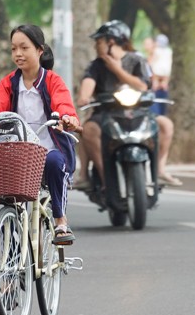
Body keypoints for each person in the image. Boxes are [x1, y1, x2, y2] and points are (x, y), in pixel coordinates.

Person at [0, 24, 81, 247]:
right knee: (11, 205)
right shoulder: (10, 82)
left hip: (48, 151)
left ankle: (60, 221)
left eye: (24, 48)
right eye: (13, 49)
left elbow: (64, 104)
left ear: (39, 50)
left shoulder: (52, 81)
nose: (17, 54)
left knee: (55, 161)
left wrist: (67, 118)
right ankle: (11, 257)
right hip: (19, 154)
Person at [75, 20, 181, 189]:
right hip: (105, 114)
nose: (96, 46)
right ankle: (102, 177)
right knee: (88, 130)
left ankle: (160, 170)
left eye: (99, 41)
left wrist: (117, 69)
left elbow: (143, 85)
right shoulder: (97, 65)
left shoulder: (138, 60)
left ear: (111, 41)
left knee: (165, 125)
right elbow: (89, 81)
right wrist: (84, 96)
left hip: (138, 112)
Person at [141, 33, 172, 116]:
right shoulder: (146, 58)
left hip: (160, 87)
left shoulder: (163, 54)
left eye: (148, 44)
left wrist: (164, 81)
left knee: (161, 112)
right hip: (152, 87)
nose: (146, 46)